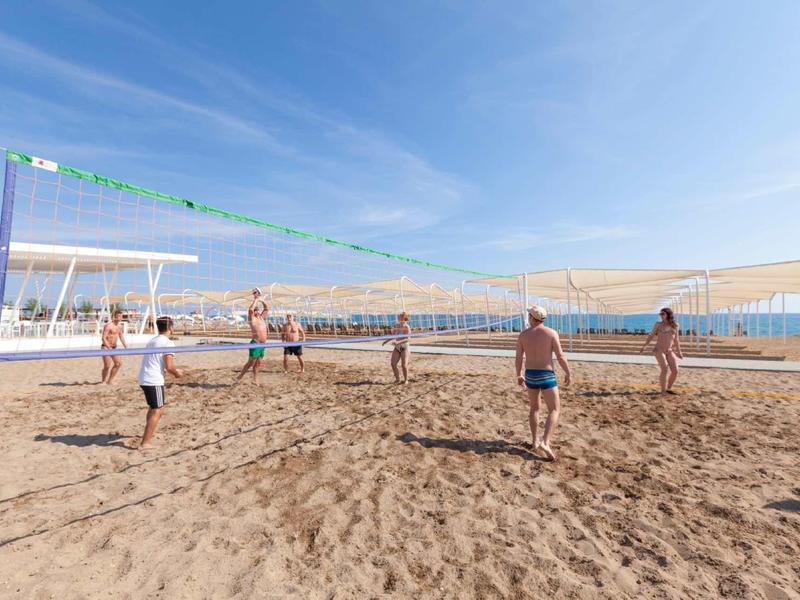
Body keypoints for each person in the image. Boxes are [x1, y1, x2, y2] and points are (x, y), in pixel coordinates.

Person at [515, 305, 571, 461]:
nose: (528, 318)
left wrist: (519, 374)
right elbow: (560, 356)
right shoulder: (551, 333)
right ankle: (545, 442)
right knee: (554, 409)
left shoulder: (523, 335)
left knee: (534, 408)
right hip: (546, 374)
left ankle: (534, 441)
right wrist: (568, 372)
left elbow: (519, 358)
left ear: (532, 318)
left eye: (529, 316)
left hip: (531, 375)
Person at [137, 316, 183, 451]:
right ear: (170, 328)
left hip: (145, 377)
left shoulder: (153, 341)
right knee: (157, 410)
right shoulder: (168, 343)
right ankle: (145, 443)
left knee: (155, 408)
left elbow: (157, 361)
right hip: (153, 379)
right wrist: (177, 373)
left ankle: (147, 435)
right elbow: (169, 366)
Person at [639, 307, 684, 394]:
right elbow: (651, 335)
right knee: (664, 369)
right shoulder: (658, 324)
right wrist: (644, 346)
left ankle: (669, 388)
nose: (661, 315)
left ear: (668, 314)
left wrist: (679, 352)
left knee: (675, 371)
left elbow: (676, 340)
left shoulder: (675, 325)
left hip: (669, 350)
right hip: (659, 349)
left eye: (663, 314)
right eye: (660, 314)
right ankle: (663, 391)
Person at [236, 288, 269, 383]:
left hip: (263, 344)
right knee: (251, 363)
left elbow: (266, 308)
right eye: (256, 310)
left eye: (258, 310)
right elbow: (250, 309)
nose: (257, 311)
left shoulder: (261, 318)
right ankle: (240, 376)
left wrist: (261, 299)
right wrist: (256, 300)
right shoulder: (252, 319)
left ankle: (255, 380)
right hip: (256, 343)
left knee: (258, 363)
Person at [382, 312, 411, 384]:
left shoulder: (407, 327)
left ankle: (406, 380)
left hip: (405, 347)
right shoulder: (396, 326)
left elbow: (408, 339)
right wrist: (386, 341)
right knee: (393, 364)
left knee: (404, 365)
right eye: (398, 317)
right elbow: (392, 335)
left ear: (404, 318)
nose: (398, 318)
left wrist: (398, 342)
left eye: (399, 317)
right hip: (397, 348)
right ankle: (397, 379)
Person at [101, 310, 128, 384]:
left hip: (114, 347)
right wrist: (109, 348)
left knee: (118, 364)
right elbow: (103, 338)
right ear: (114, 317)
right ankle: (103, 381)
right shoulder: (108, 326)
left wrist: (125, 346)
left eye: (121, 316)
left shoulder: (119, 326)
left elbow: (121, 336)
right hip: (106, 347)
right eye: (119, 316)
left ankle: (110, 380)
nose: (121, 317)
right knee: (107, 366)